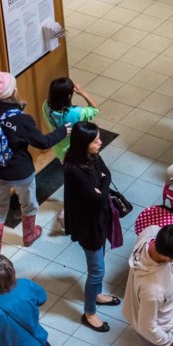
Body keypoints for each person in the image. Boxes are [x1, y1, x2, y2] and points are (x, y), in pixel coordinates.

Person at [0, 71, 68, 255]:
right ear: (14, 91)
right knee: (28, 203)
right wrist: (62, 131)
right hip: (20, 172)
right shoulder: (22, 119)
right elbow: (42, 142)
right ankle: (29, 235)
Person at [62, 121, 121, 333]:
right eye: (95, 140)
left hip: (99, 219)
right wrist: (102, 186)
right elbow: (97, 199)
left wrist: (101, 187)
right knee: (97, 270)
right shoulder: (74, 168)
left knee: (99, 260)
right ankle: (89, 312)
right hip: (88, 225)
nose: (100, 142)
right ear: (83, 143)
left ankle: (96, 294)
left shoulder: (92, 156)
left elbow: (108, 175)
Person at [42, 76, 99, 164]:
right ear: (69, 96)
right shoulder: (76, 112)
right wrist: (82, 92)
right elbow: (94, 109)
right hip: (77, 152)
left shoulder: (45, 106)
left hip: (59, 151)